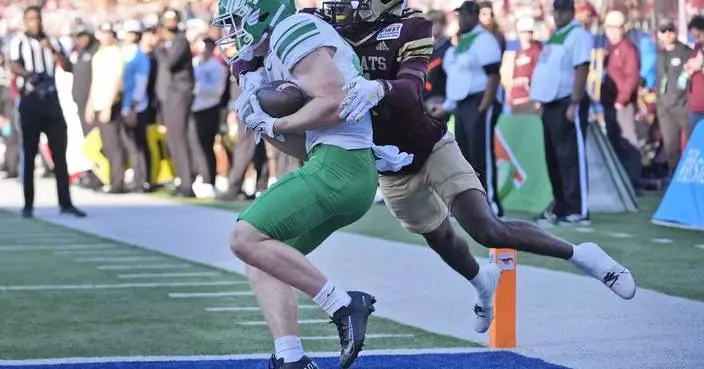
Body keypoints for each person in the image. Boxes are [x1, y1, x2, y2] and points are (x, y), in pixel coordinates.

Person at [212, 0, 410, 367]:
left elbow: (332, 104)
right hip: (335, 166)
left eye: (238, 20)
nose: (233, 31)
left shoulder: (293, 29)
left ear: (262, 13)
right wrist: (261, 117)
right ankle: (291, 358)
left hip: (341, 166)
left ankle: (343, 304)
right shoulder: (274, 50)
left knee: (244, 237)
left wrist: (275, 123)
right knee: (263, 258)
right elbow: (300, 144)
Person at [8, 6, 85, 218]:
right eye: (30, 19)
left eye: (37, 19)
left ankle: (65, 202)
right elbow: (13, 64)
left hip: (52, 101)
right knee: (30, 154)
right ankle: (28, 204)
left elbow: (67, 66)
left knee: (60, 153)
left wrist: (51, 48)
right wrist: (28, 74)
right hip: (31, 101)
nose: (34, 23)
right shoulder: (19, 42)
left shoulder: (52, 41)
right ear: (25, 21)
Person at [529, 0, 591, 226]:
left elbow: (582, 67)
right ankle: (561, 204)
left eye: (561, 10)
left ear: (570, 11)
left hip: (567, 102)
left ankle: (578, 208)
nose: (557, 14)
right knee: (553, 158)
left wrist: (575, 101)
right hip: (550, 104)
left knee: (570, 158)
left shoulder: (578, 35)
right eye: (555, 10)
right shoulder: (556, 35)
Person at [441, 1, 503, 217]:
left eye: (466, 14)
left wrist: (485, 104)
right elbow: (458, 79)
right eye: (460, 15)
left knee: (480, 155)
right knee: (464, 157)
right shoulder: (462, 42)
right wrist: (448, 105)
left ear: (476, 15)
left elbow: (494, 75)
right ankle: (470, 205)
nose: (462, 18)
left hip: (478, 101)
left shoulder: (485, 40)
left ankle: (490, 202)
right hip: (462, 103)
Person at [155, 9, 196, 197]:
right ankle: (183, 181)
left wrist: (157, 48)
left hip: (178, 95)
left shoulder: (180, 40)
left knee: (178, 138)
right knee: (173, 139)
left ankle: (187, 184)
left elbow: (170, 62)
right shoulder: (172, 41)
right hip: (170, 96)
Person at [601, 10, 642, 189]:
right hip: (609, 102)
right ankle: (619, 181)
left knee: (628, 141)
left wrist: (621, 99)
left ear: (623, 28)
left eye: (615, 28)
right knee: (614, 141)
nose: (611, 32)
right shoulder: (609, 48)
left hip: (621, 104)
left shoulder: (628, 49)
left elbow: (632, 77)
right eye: (608, 28)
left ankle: (633, 181)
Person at [85, 23, 125, 194]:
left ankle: (117, 182)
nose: (106, 36)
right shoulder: (98, 54)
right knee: (106, 145)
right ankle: (109, 179)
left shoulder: (115, 53)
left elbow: (117, 79)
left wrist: (108, 105)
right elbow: (95, 81)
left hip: (110, 103)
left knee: (113, 144)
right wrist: (89, 104)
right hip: (98, 103)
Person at [191, 37, 227, 198]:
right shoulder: (196, 63)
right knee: (196, 144)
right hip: (195, 108)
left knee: (207, 144)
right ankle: (201, 174)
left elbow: (217, 91)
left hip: (209, 108)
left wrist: (197, 87)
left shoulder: (217, 67)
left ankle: (209, 179)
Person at [655, 17, 692, 175]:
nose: (668, 34)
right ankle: (674, 178)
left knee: (692, 145)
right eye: (664, 31)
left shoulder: (684, 52)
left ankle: (692, 178)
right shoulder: (660, 54)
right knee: (671, 147)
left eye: (670, 30)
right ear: (658, 34)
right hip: (664, 108)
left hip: (682, 107)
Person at [121, 20, 153, 193]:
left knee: (139, 143)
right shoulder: (126, 53)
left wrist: (133, 106)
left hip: (136, 105)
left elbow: (141, 83)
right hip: (126, 103)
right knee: (131, 144)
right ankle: (137, 177)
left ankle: (143, 179)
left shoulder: (140, 56)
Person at [509, 17, 542, 114]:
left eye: (528, 32)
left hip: (530, 100)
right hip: (516, 101)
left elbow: (539, 76)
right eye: (523, 32)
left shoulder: (537, 52)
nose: (525, 35)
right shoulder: (518, 53)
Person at [686, 15, 704, 130]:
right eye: (693, 36)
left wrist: (700, 66)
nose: (696, 39)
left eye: (698, 35)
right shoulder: (696, 49)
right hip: (695, 106)